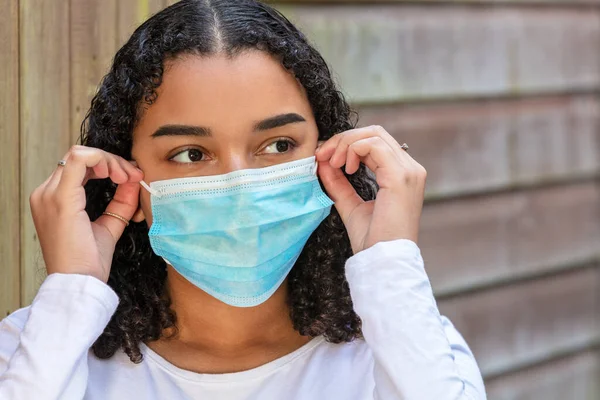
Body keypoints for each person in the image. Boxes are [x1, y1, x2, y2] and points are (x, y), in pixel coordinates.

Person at [0, 1, 486, 399]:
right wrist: (72, 293)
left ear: (328, 155)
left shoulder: (410, 346)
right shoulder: (36, 350)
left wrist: (389, 264)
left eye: (277, 145)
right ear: (126, 177)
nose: (239, 184)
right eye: (191, 153)